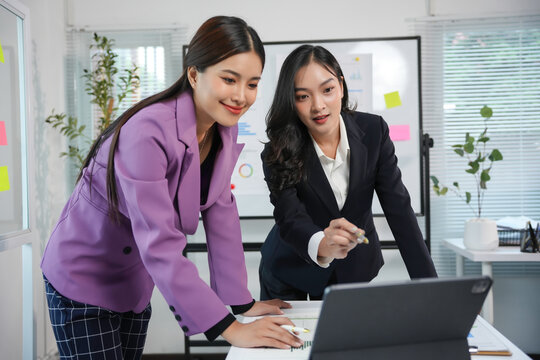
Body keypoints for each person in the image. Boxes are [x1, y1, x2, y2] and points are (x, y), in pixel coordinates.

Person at [41, 16, 304, 359]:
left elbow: (220, 209)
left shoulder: (225, 128)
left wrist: (242, 302)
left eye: (252, 84)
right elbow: (159, 239)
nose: (241, 96)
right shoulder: (146, 132)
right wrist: (231, 328)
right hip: (82, 276)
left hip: (133, 281)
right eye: (229, 79)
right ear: (194, 75)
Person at [259, 45, 437, 301]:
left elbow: (399, 209)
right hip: (291, 265)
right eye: (302, 96)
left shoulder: (374, 131)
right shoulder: (278, 149)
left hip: (354, 266)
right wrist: (323, 244)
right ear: (291, 102)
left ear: (341, 86)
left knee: (345, 338)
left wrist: (430, 287)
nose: (318, 106)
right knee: (290, 340)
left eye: (327, 90)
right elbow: (290, 216)